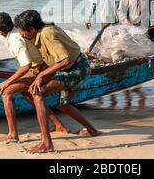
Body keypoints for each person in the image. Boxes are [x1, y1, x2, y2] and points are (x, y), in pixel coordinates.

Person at [15, 10, 100, 153]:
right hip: (75, 67)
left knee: (38, 93)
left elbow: (64, 60)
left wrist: (41, 76)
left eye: (23, 31)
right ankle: (92, 130)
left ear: (31, 29)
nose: (21, 34)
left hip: (76, 69)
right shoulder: (44, 30)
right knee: (63, 105)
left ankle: (46, 143)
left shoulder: (47, 34)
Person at [0, 12, 69, 144]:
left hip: (40, 69)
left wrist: (7, 82)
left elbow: (25, 66)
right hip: (37, 67)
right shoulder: (12, 32)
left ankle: (13, 134)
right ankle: (59, 125)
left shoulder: (14, 39)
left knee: (6, 92)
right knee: (27, 95)